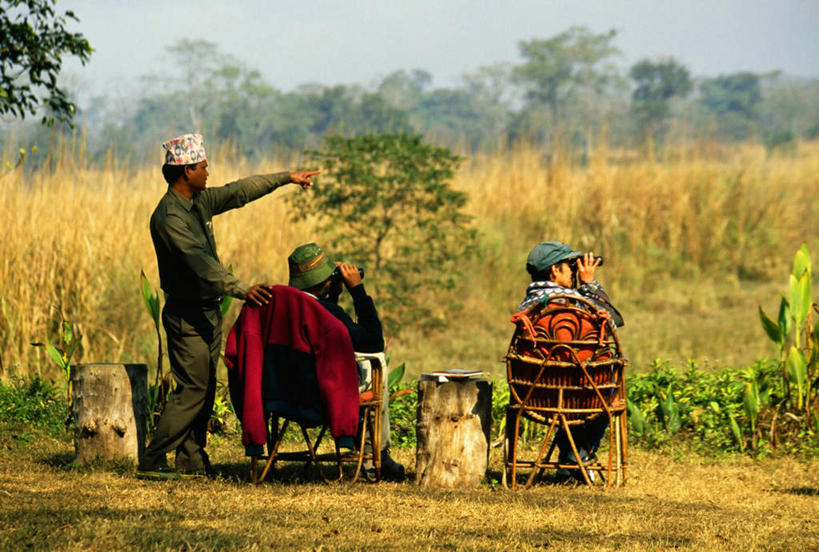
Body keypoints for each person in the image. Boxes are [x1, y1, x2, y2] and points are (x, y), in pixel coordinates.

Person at [137, 133, 318, 480]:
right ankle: (152, 458)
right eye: (203, 166)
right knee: (192, 388)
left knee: (204, 390)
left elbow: (240, 191)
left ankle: (191, 460)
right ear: (185, 171)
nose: (208, 172)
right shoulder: (169, 217)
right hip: (186, 315)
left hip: (206, 312)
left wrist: (286, 178)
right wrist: (242, 288)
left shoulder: (199, 201)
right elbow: (199, 263)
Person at [287, 242, 406, 481]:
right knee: (376, 361)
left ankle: (372, 452)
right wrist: (357, 291)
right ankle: (376, 455)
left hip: (285, 391)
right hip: (322, 394)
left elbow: (330, 327)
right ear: (325, 280)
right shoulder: (326, 312)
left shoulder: (283, 305)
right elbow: (373, 342)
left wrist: (333, 293)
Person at [517, 240, 624, 482]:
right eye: (570, 266)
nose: (574, 271)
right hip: (579, 396)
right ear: (555, 270)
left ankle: (572, 459)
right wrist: (589, 285)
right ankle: (577, 458)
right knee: (607, 391)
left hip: (534, 394)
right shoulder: (575, 305)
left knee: (576, 383)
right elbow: (613, 322)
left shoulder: (529, 304)